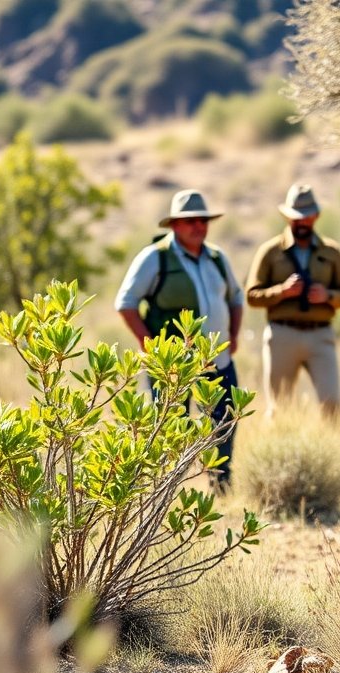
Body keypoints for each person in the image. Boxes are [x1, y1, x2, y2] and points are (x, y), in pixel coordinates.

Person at [114, 189, 244, 489]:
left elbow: (236, 298)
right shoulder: (154, 258)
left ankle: (221, 488)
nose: (198, 226)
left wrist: (234, 334)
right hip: (172, 367)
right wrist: (150, 346)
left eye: (203, 220)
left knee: (225, 422)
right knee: (171, 427)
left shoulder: (217, 257)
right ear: (174, 225)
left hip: (218, 361)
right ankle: (165, 492)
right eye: (190, 221)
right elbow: (126, 302)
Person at [245, 183, 340, 417]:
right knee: (279, 408)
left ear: (315, 216)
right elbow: (252, 296)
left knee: (332, 404)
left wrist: (328, 296)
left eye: (306, 217)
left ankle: (332, 451)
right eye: (296, 218)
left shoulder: (331, 252)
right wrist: (282, 292)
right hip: (282, 335)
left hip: (321, 335)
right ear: (287, 218)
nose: (302, 223)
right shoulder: (271, 251)